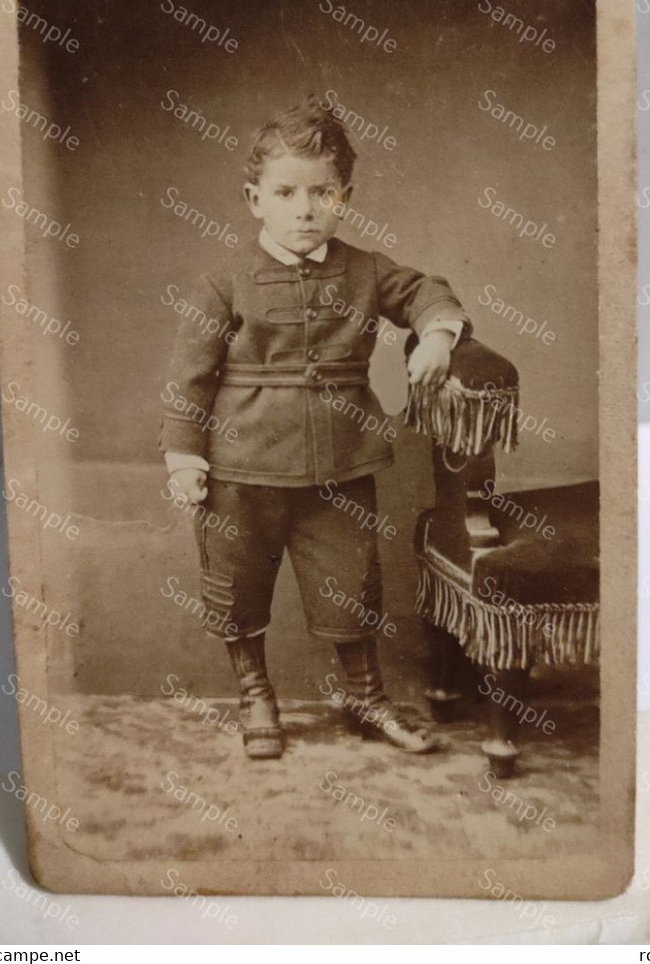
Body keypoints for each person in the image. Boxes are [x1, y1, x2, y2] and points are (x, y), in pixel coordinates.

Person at [159, 96, 469, 759]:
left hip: (339, 465)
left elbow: (425, 292)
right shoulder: (223, 281)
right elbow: (188, 380)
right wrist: (183, 459)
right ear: (254, 199)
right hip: (240, 468)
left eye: (321, 192)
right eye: (285, 191)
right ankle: (255, 696)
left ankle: (365, 697)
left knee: (350, 587)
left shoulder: (365, 269)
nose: (303, 208)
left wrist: (437, 334)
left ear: (343, 197)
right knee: (237, 586)